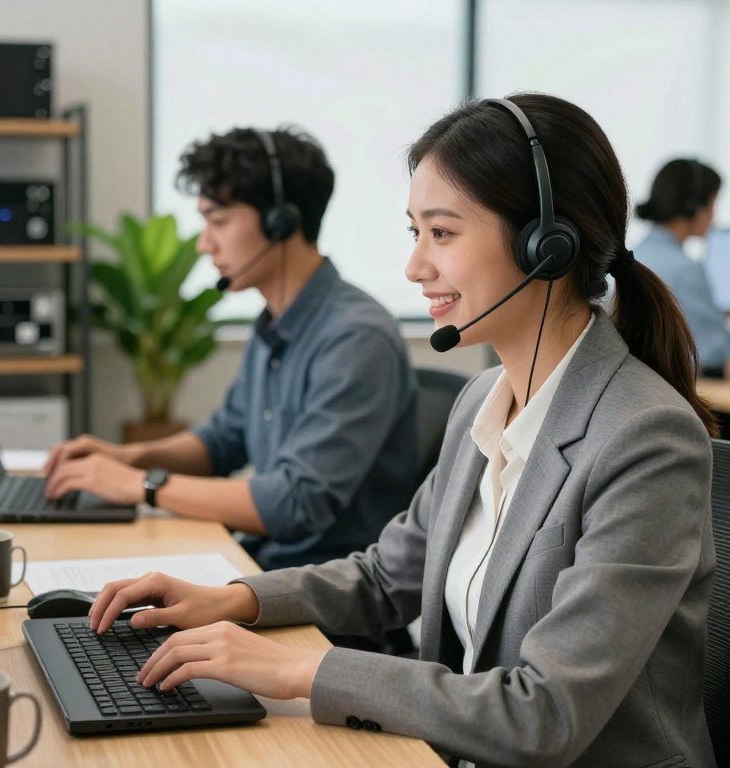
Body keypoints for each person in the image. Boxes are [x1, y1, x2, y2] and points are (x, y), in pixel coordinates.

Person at [86, 94, 720, 768]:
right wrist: (231, 600)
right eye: (413, 233)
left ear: (547, 245)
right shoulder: (484, 400)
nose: (415, 267)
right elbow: (385, 577)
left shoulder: (646, 438)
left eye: (441, 234)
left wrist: (299, 672)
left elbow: (546, 715)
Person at [44, 126, 419, 570]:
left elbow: (298, 503)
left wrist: (141, 484)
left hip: (324, 591)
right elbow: (224, 440)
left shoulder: (356, 338)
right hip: (265, 562)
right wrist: (130, 457)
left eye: (218, 221)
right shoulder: (275, 323)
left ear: (282, 222)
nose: (205, 244)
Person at [634, 158, 730, 379]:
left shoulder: (633, 256)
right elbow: (713, 353)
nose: (714, 215)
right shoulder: (686, 270)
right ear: (693, 207)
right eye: (713, 205)